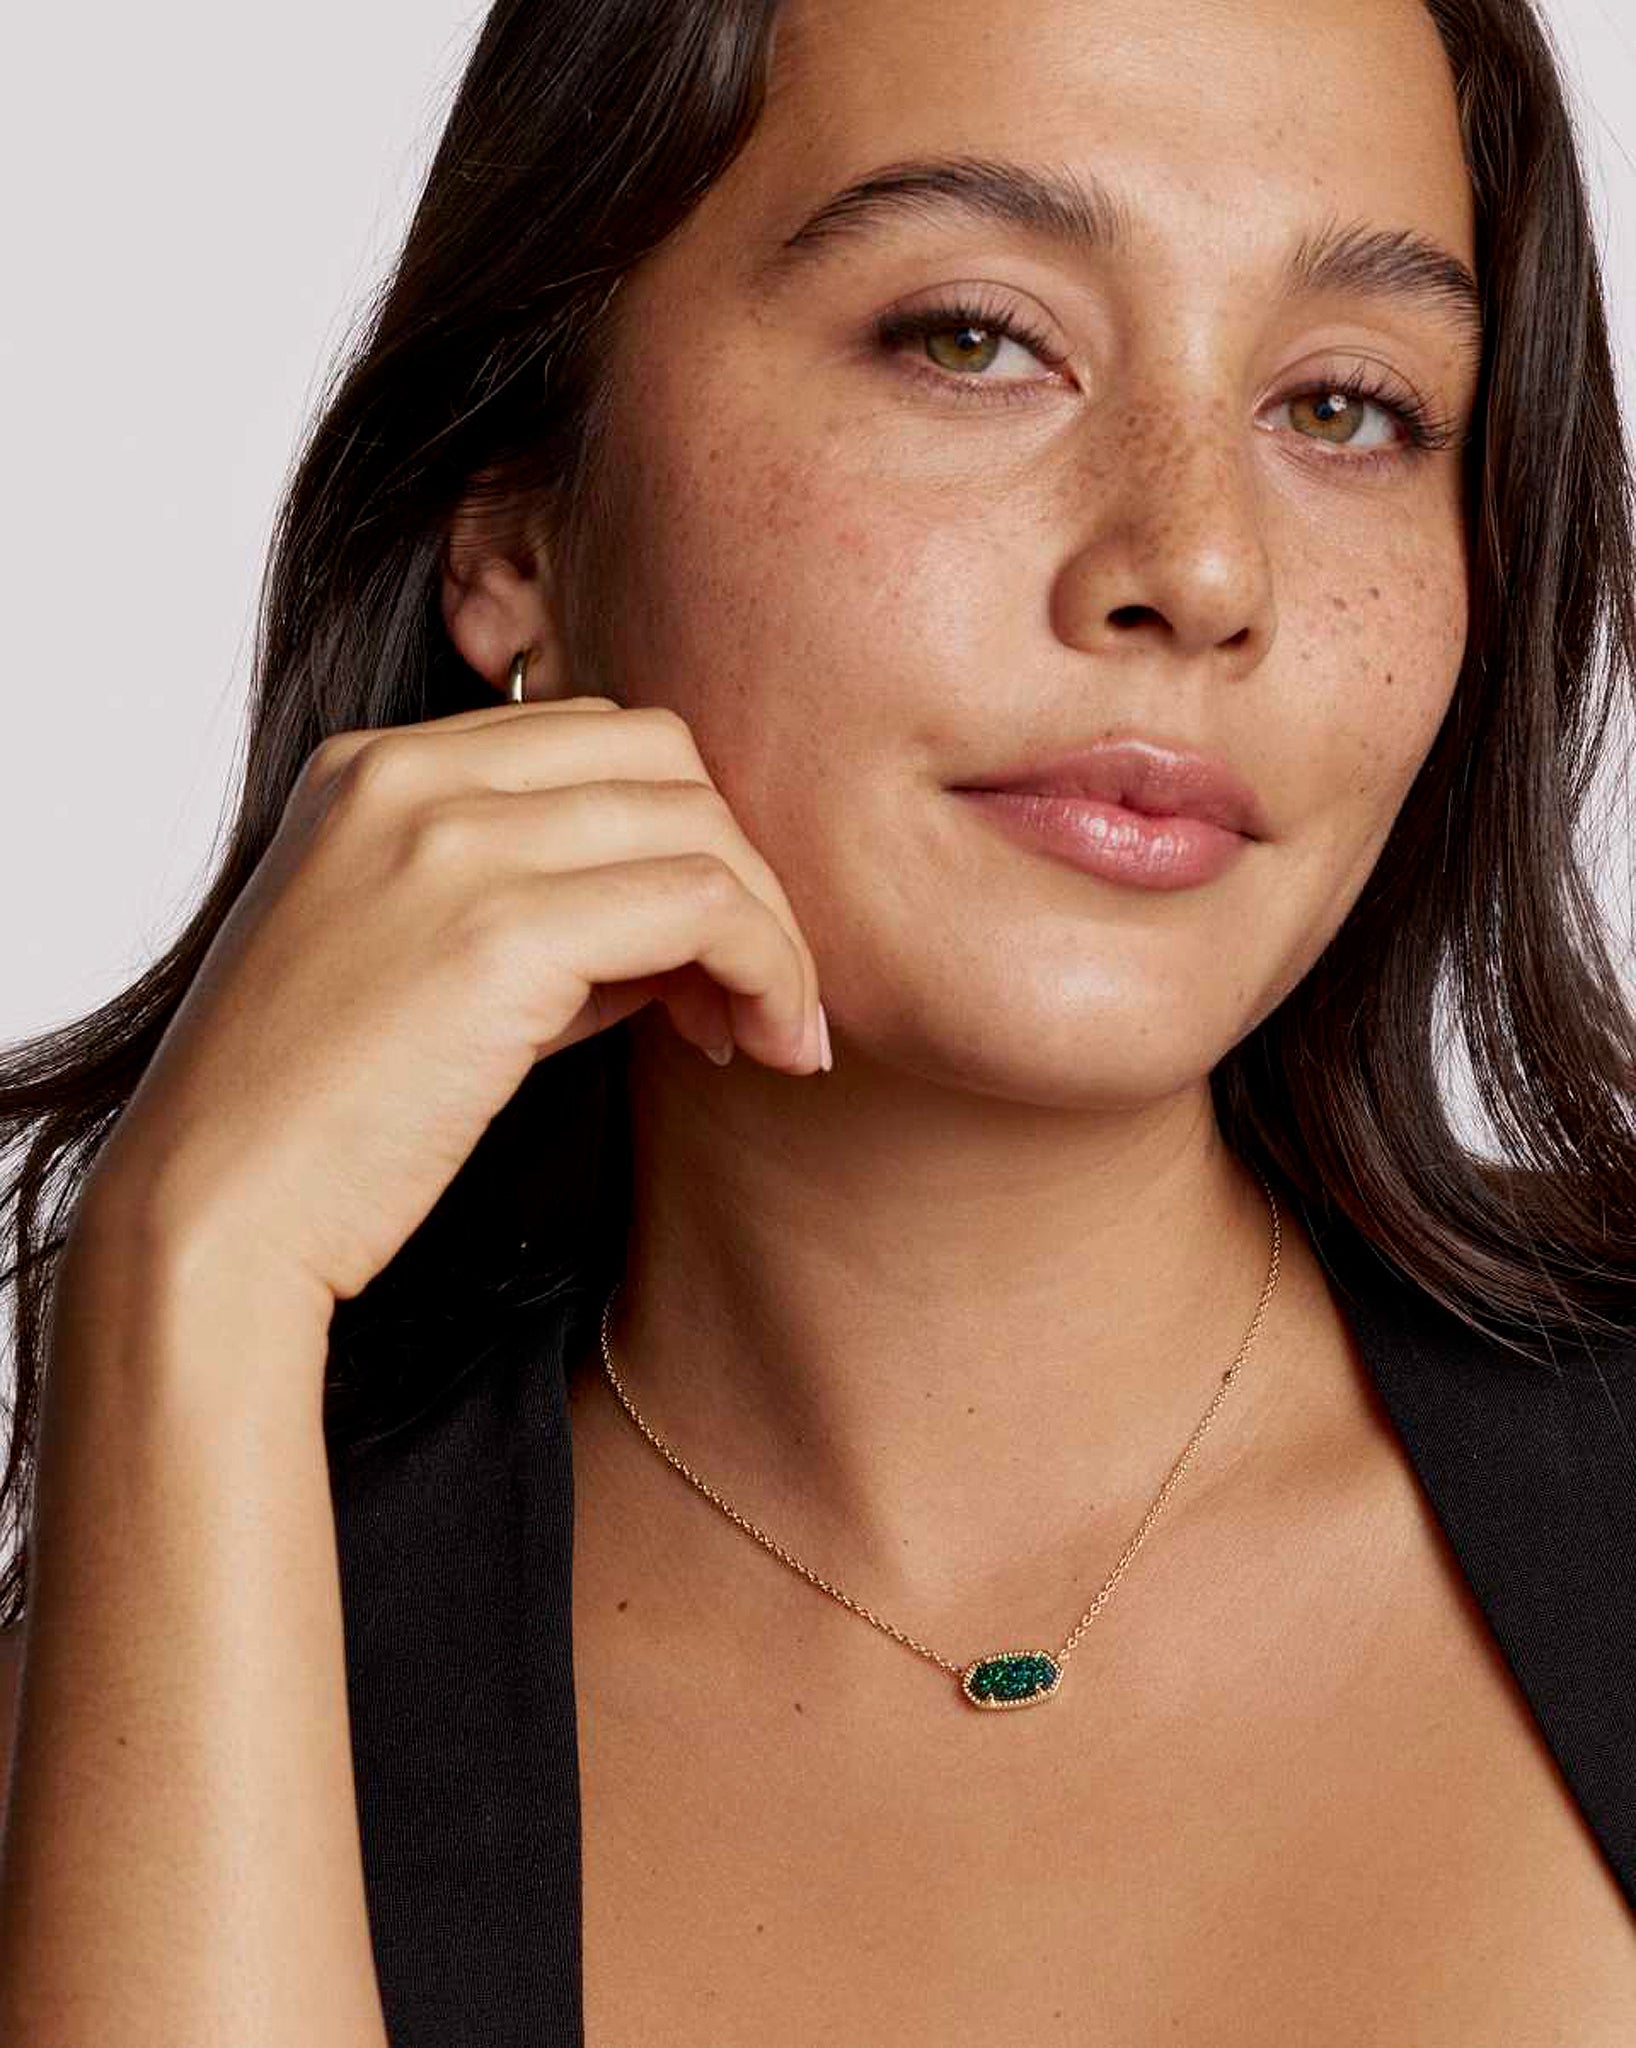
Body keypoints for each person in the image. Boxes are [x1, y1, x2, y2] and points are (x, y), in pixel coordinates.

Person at [1, 0, 1634, 2039]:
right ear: (514, 527)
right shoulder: (144, 1719)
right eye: (972, 336)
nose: (1200, 565)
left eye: (1344, 407)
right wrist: (188, 1282)